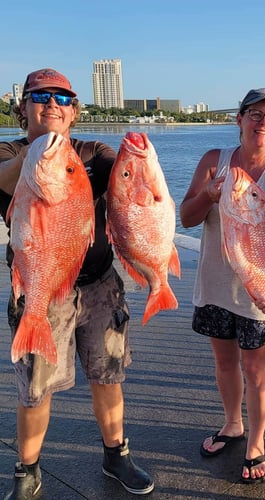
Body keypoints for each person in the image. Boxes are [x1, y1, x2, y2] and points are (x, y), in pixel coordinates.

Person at [0, 68, 154, 499]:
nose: (52, 104)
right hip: (40, 290)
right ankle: (26, 471)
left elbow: (127, 178)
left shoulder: (92, 152)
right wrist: (37, 155)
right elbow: (6, 176)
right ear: (23, 107)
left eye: (63, 99)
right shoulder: (10, 153)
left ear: (73, 113)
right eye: (41, 96)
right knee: (36, 387)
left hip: (100, 282)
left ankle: (116, 455)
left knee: (108, 375)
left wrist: (139, 158)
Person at [180, 88, 265, 484]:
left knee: (256, 367)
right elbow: (186, 217)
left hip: (256, 289)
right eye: (255, 114)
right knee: (224, 362)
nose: (263, 123)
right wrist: (210, 195)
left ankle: (257, 441)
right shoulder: (214, 161)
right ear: (239, 120)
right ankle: (232, 424)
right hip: (215, 284)